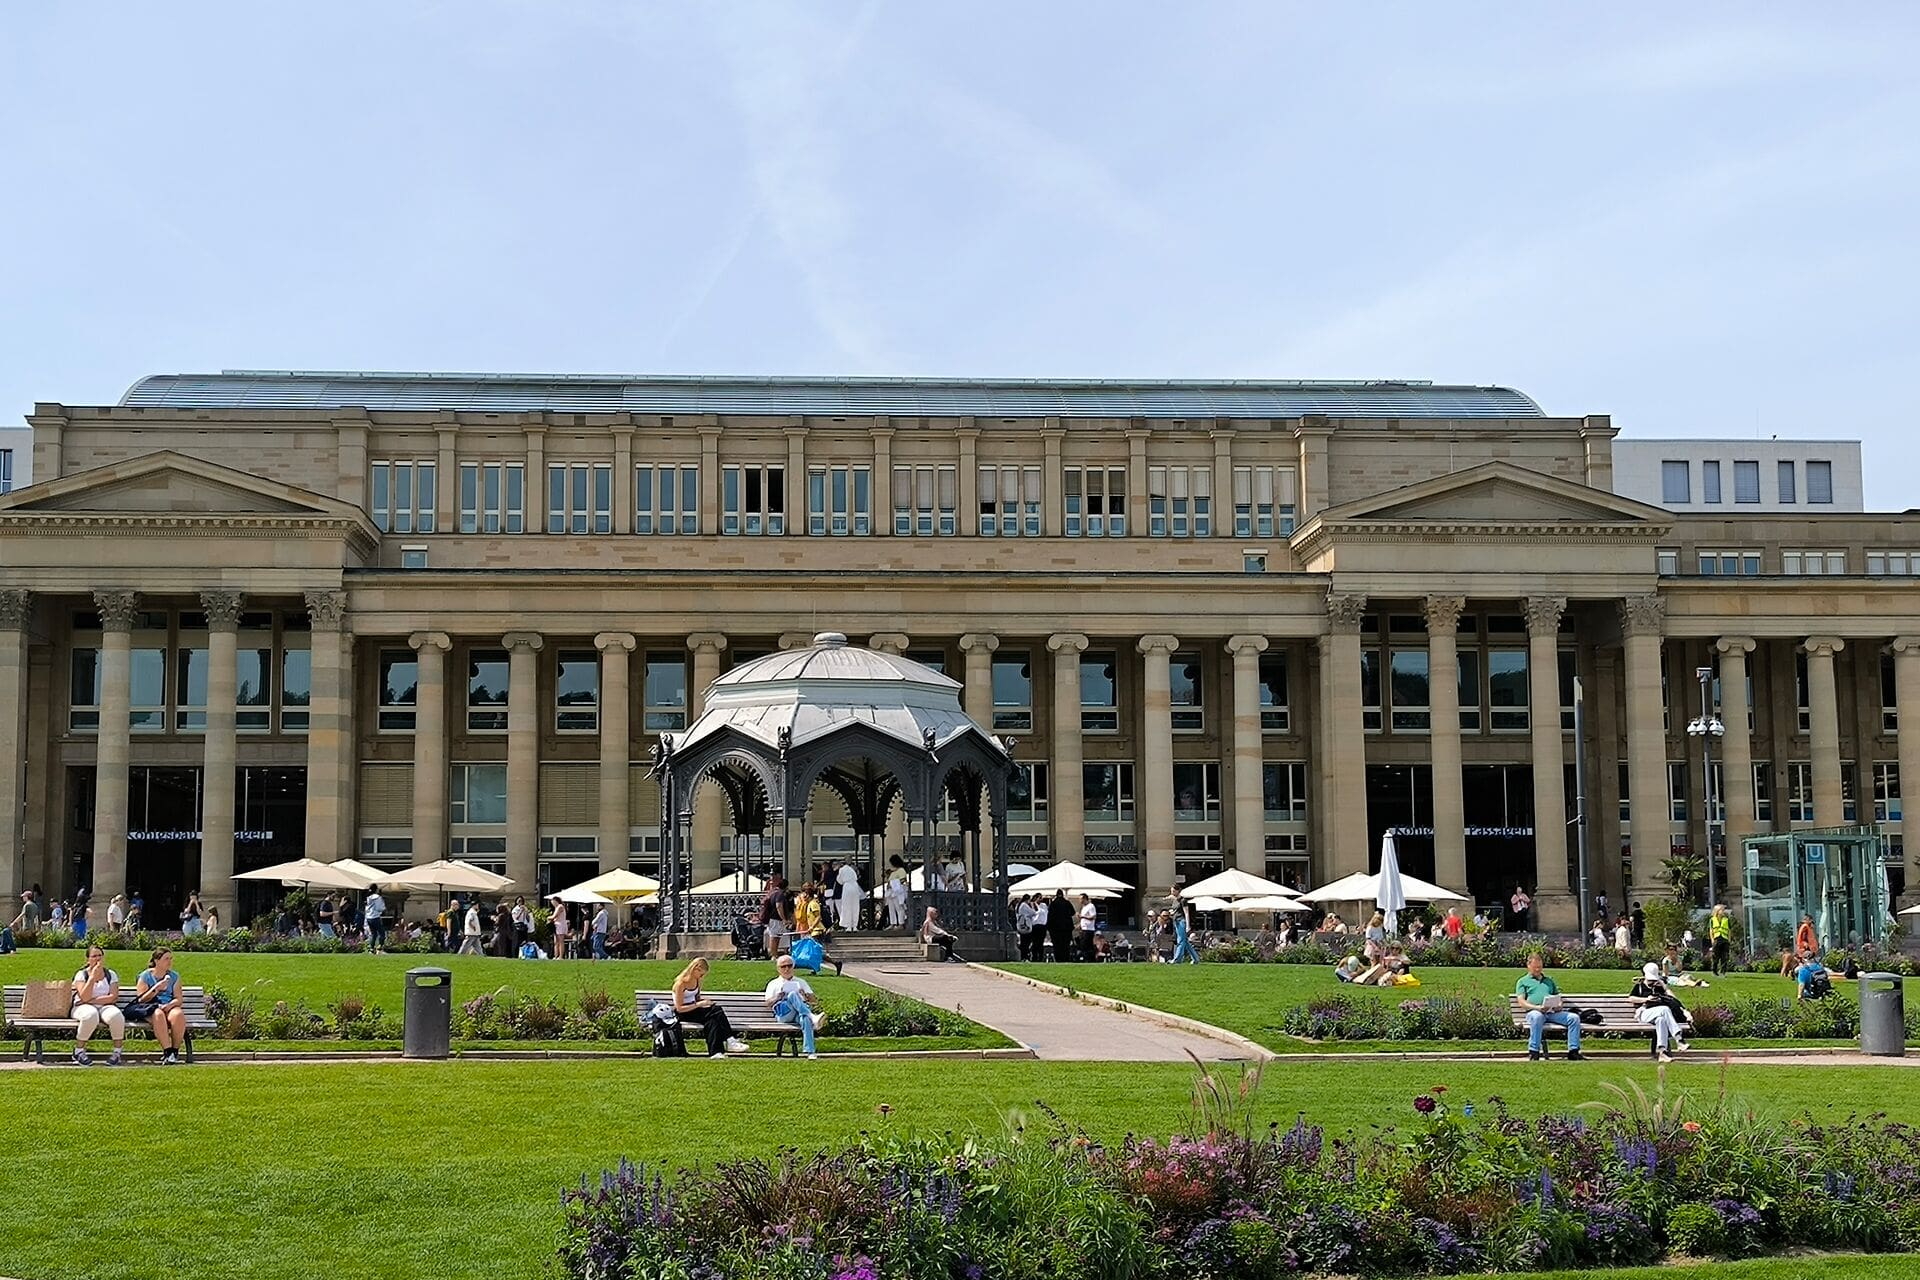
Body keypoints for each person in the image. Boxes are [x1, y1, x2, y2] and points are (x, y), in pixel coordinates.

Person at [672, 957, 749, 1057]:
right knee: (716, 1010)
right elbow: (679, 1008)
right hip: (683, 1012)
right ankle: (730, 1040)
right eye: (701, 974)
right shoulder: (680, 984)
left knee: (712, 1022)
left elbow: (696, 998)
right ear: (695, 969)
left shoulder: (697, 981)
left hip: (694, 1009)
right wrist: (699, 1004)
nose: (702, 977)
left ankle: (716, 1052)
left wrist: (704, 1002)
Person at [1515, 952, 1584, 1062]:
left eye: (1540, 967)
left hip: (1552, 1012)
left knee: (1574, 1018)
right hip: (1534, 1011)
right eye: (1535, 967)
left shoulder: (1549, 981)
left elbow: (1558, 997)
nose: (1538, 970)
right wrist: (1537, 1008)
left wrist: (1558, 1006)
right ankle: (1534, 1052)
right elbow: (1522, 1002)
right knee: (1537, 1018)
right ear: (1528, 966)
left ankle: (1573, 1051)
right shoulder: (1522, 981)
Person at [131, 947, 190, 1066]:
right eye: (166, 959)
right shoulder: (145, 976)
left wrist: (170, 1005)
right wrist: (157, 988)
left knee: (178, 1014)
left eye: (170, 959)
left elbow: (178, 999)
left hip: (168, 1006)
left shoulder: (174, 976)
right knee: (158, 1014)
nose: (169, 962)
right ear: (157, 961)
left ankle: (174, 1051)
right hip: (150, 1007)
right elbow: (141, 999)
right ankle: (167, 1052)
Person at [70, 944, 126, 1066]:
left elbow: (113, 997)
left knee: (116, 1015)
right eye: (94, 956)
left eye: (100, 956)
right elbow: (84, 996)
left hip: (104, 1006)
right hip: (81, 1007)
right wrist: (92, 978)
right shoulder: (81, 974)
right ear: (88, 959)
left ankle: (117, 1052)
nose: (97, 959)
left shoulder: (110, 974)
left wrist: (90, 1000)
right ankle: (79, 1051)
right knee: (90, 1015)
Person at [764, 953, 825, 1060]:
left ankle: (810, 1052)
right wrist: (778, 997)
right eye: (783, 967)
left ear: (793, 967)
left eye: (789, 966)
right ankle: (812, 1016)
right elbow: (768, 1003)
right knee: (792, 995)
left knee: (805, 1019)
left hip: (798, 1013)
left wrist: (804, 995)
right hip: (783, 1014)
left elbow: (814, 1001)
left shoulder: (801, 982)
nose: (787, 969)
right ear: (778, 969)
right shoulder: (773, 983)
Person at [1630, 962, 1690, 1063]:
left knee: (1661, 1020)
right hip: (1644, 1013)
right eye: (1650, 980)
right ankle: (1679, 1039)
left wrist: (1665, 987)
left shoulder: (1659, 986)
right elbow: (1630, 998)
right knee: (1665, 1009)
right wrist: (1646, 999)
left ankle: (1663, 1052)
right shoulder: (1639, 986)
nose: (1652, 982)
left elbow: (1672, 999)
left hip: (1658, 1014)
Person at [763, 875, 794, 956]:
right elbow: (778, 906)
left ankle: (775, 953)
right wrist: (783, 918)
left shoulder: (773, 893)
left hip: (774, 918)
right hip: (775, 918)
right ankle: (773, 954)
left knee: (776, 936)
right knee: (774, 937)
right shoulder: (779, 894)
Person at [834, 859, 862, 932]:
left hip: (847, 887)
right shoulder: (852, 869)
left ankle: (848, 926)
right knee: (855, 906)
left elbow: (839, 881)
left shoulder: (842, 870)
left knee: (847, 906)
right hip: (855, 887)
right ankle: (855, 926)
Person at [1045, 889, 1073, 962]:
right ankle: (1066, 958)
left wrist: (1048, 927)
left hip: (1055, 928)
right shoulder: (1067, 903)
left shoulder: (1053, 904)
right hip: (1067, 927)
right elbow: (1072, 912)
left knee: (1057, 944)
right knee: (1066, 945)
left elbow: (1050, 916)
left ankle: (1058, 958)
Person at [1170, 894, 1198, 965]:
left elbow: (1186, 913)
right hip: (1176, 921)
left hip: (1181, 921)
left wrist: (1187, 926)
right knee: (1185, 941)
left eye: (1173, 891)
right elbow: (1176, 911)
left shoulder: (1183, 901)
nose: (1172, 893)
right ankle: (1195, 959)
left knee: (1181, 941)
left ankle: (1177, 959)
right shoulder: (1175, 901)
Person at [1709, 903, 1733, 977]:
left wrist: (1729, 940)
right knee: (1715, 956)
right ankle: (1714, 971)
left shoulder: (1726, 920)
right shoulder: (1712, 920)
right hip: (1716, 939)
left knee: (1724, 957)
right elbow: (1711, 930)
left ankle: (1723, 972)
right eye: (1722, 910)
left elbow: (1729, 930)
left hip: (1724, 939)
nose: (1723, 911)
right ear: (1717, 911)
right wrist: (1712, 940)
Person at [1014, 895, 1039, 961]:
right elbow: (1033, 913)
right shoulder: (1024, 905)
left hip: (1021, 926)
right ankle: (1025, 957)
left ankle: (1023, 956)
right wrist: (1033, 906)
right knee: (1026, 943)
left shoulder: (1019, 906)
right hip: (1026, 926)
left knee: (1023, 942)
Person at [1075, 893, 1099, 962]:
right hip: (1083, 929)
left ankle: (1089, 959)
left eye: (1080, 899)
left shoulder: (1091, 906)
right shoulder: (1083, 908)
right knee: (1083, 945)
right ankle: (1088, 959)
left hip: (1089, 930)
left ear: (1084, 899)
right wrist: (1079, 924)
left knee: (1086, 946)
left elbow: (1093, 917)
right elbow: (1084, 919)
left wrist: (1082, 916)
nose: (1079, 901)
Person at [363, 889, 387, 953]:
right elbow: (380, 908)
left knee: (374, 934)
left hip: (369, 918)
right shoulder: (378, 898)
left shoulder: (368, 898)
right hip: (375, 917)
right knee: (382, 933)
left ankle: (371, 948)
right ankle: (380, 947)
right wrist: (383, 909)